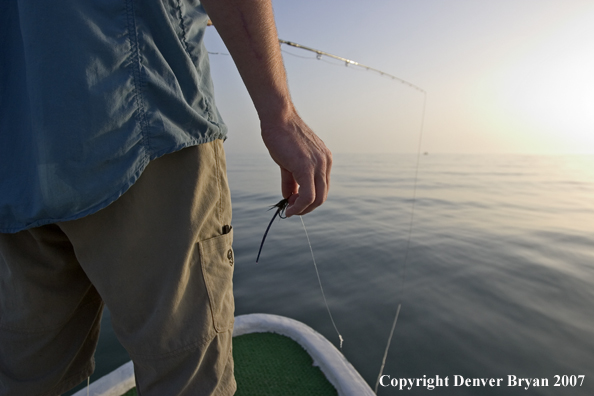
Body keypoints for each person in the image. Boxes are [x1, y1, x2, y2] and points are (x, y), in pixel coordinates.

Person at [0, 0, 331, 395]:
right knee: (186, 378)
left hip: (15, 164)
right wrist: (280, 114)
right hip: (143, 131)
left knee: (27, 378)